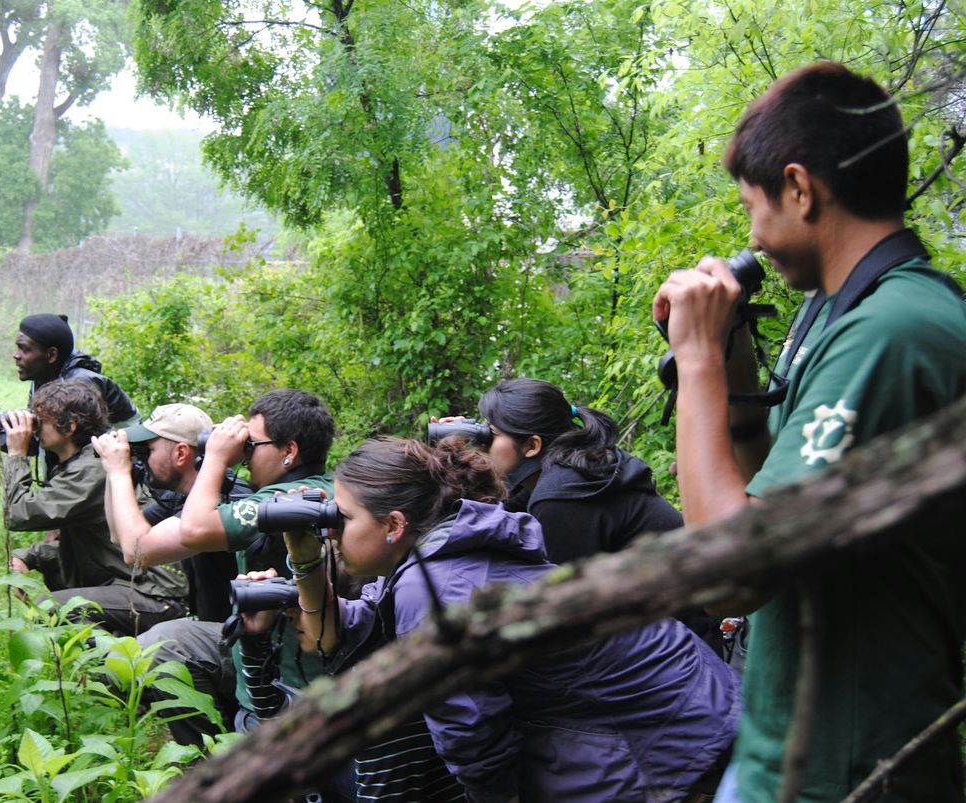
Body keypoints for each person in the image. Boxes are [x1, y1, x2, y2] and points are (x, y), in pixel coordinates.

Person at [652, 62, 966, 802]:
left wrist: (695, 361)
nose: (752, 236)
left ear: (799, 188)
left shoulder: (894, 332)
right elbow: (772, 497)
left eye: (751, 205)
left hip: (851, 770)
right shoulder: (838, 315)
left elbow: (731, 571)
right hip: (787, 755)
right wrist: (729, 375)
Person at [285, 438, 740, 802]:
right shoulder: (442, 550)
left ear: (394, 524)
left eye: (341, 518)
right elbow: (357, 630)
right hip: (696, 708)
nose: (332, 530)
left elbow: (472, 731)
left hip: (669, 741)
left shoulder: (434, 586)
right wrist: (304, 563)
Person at [112, 389, 336, 745]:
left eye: (253, 445)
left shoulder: (277, 503)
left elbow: (193, 528)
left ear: (289, 452)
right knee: (174, 639)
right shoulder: (329, 487)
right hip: (297, 649)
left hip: (288, 668)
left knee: (166, 645)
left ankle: (211, 763)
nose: (245, 456)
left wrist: (215, 457)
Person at [469, 379, 721, 649]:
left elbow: (565, 611)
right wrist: (459, 454)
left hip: (684, 643)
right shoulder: (575, 466)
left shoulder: (562, 495)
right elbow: (496, 512)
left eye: (491, 433)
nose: (483, 441)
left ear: (532, 446)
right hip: (683, 625)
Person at [2, 379, 188, 636]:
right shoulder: (84, 462)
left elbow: (16, 513)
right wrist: (31, 555)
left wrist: (16, 453)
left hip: (155, 595)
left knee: (52, 607)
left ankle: (106, 673)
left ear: (69, 426)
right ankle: (105, 668)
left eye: (40, 421)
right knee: (61, 587)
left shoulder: (92, 469)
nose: (34, 429)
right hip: (135, 584)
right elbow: (96, 546)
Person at [93, 402, 249, 623]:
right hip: (213, 625)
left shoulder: (227, 500)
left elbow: (136, 552)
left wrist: (119, 474)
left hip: (239, 639)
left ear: (181, 454)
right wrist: (114, 469)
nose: (142, 459)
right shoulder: (189, 494)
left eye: (148, 450)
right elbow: (119, 535)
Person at [14, 313, 139, 428]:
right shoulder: (43, 379)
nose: (16, 355)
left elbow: (71, 446)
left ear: (51, 355)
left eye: (24, 349)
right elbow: (37, 439)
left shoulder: (79, 386)